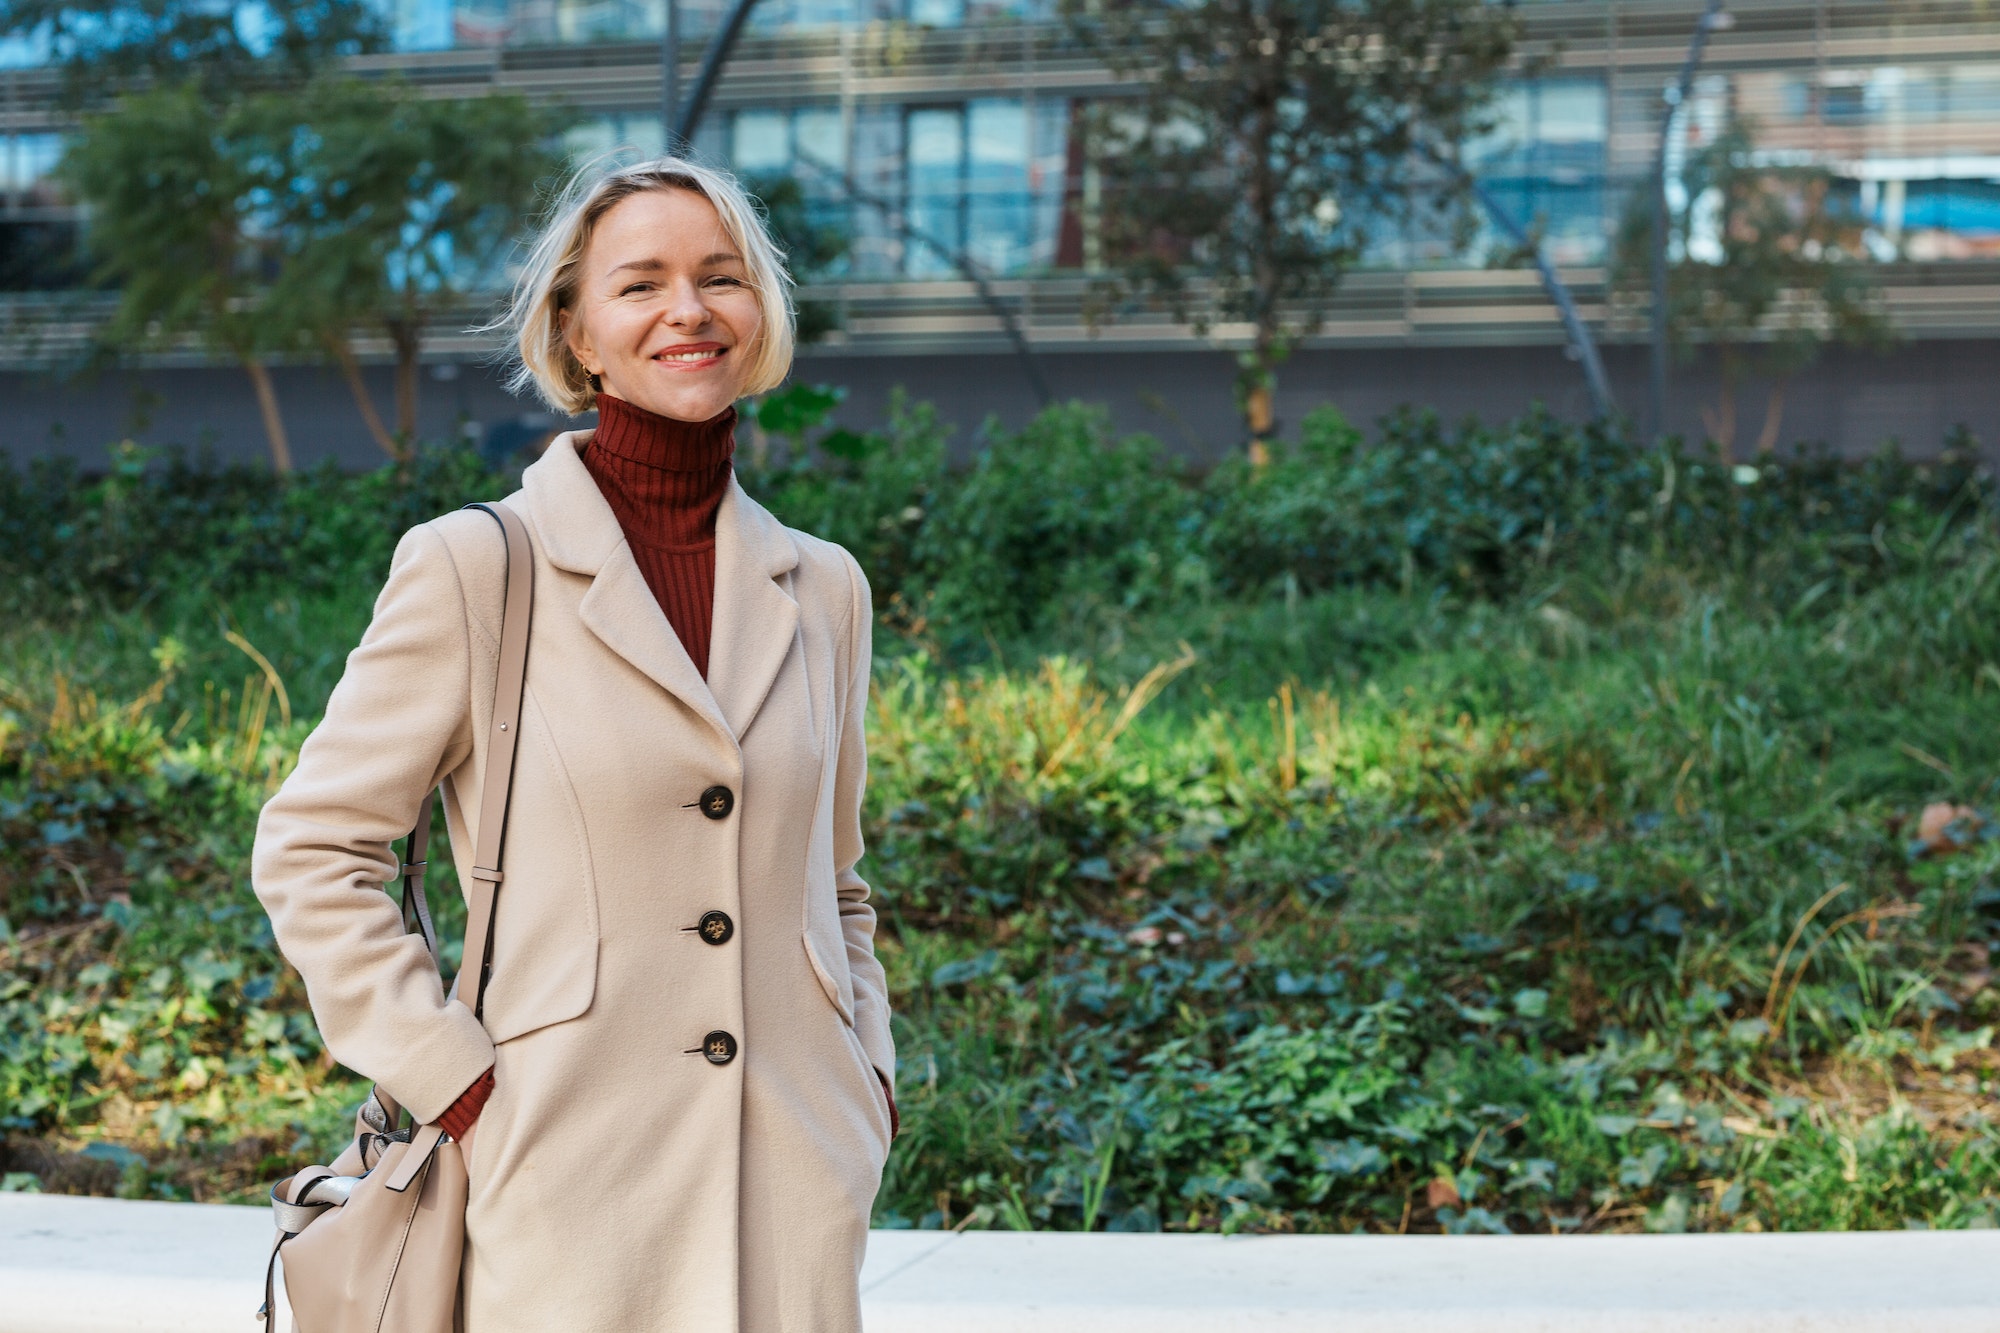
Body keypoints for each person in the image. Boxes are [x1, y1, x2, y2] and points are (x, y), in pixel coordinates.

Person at [252, 156, 896, 1332]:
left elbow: (835, 884)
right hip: (559, 1181)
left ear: (760, 313)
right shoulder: (474, 568)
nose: (688, 310)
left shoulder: (826, 591)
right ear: (577, 331)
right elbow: (314, 845)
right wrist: (454, 1080)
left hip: (795, 1180)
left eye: (721, 277)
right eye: (640, 283)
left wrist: (867, 1083)